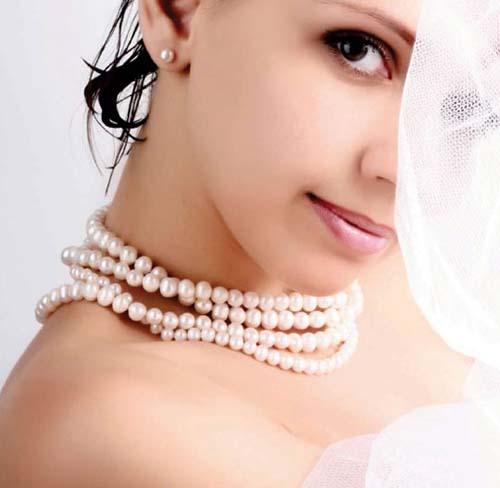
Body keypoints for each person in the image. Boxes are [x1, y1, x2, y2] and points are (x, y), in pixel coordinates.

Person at [0, 0, 483, 486]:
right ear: (176, 13)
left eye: (463, 107)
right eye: (356, 49)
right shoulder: (105, 426)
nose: (405, 171)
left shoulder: (437, 295)